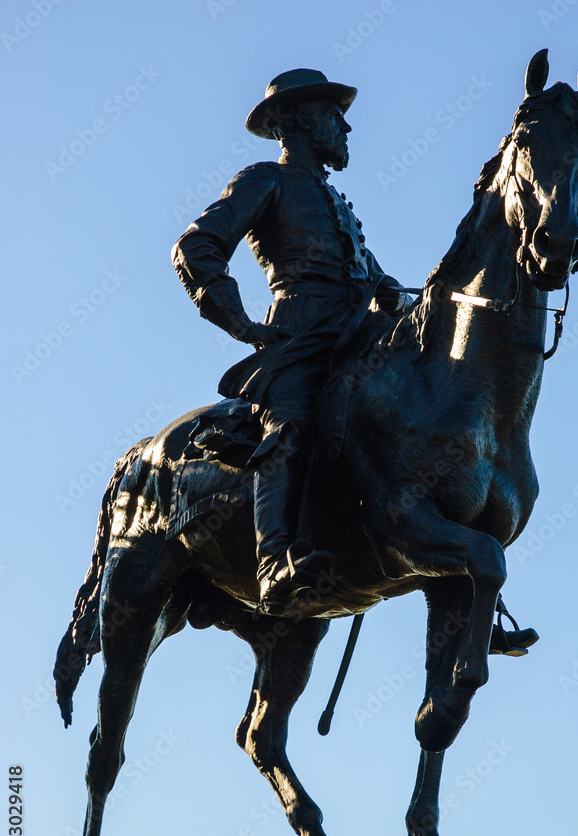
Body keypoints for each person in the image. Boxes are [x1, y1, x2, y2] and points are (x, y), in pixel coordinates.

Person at [172, 68, 412, 613]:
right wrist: (242, 324)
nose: (345, 126)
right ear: (301, 121)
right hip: (300, 333)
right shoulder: (265, 180)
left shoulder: (339, 205)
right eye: (333, 114)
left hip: (356, 332)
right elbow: (197, 247)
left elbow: (374, 280)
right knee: (292, 425)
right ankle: (272, 560)